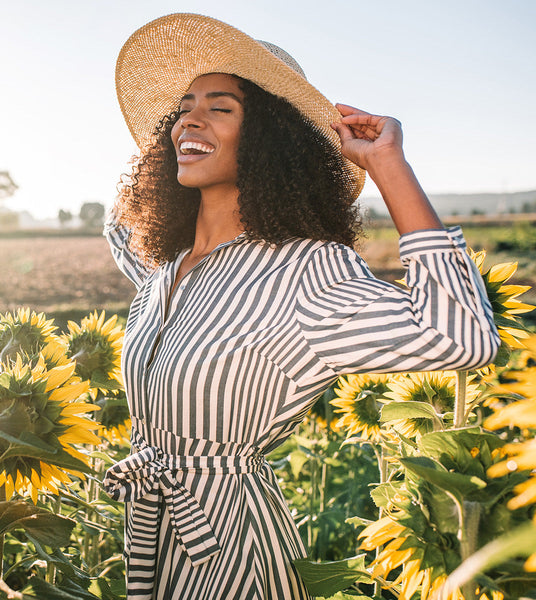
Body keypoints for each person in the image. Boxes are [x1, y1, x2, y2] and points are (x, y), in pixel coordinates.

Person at [101, 13, 500, 600]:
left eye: (221, 106)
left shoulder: (305, 272)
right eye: (183, 106)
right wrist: (158, 160)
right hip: (147, 532)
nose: (189, 117)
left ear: (271, 139)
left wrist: (388, 165)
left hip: (227, 547)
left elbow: (464, 336)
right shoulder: (163, 268)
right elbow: (119, 223)